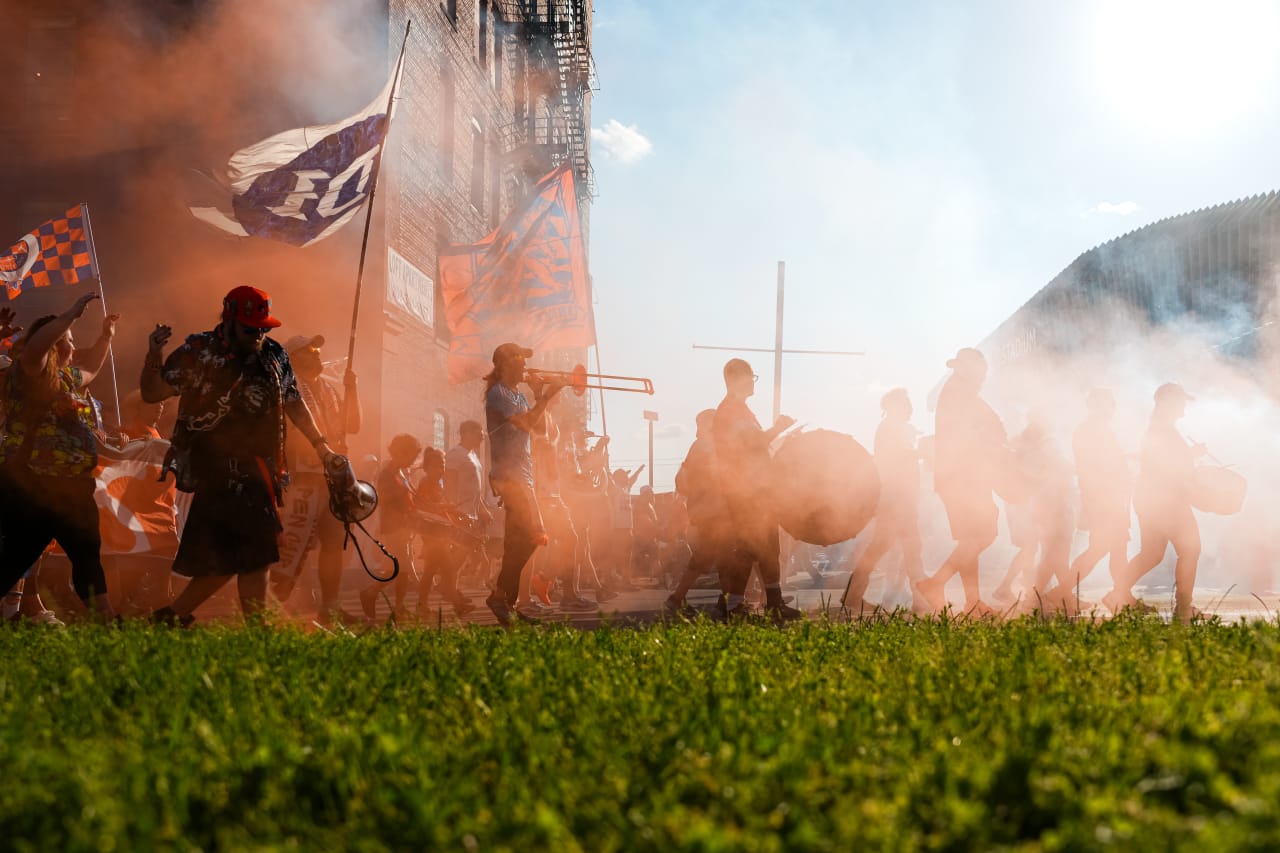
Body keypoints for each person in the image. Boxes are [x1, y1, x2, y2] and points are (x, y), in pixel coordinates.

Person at [141, 285, 336, 624]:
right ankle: (255, 631)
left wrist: (322, 445)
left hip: (261, 470)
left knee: (238, 559)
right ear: (229, 320)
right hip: (218, 470)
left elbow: (294, 402)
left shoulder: (274, 354)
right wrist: (154, 354)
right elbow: (151, 392)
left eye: (263, 327)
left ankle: (171, 617)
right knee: (255, 556)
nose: (258, 334)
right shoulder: (199, 351)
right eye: (250, 328)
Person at [0, 292, 118, 621]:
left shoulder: (67, 378)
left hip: (69, 485)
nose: (72, 345)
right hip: (33, 483)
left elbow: (92, 368)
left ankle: (106, 617)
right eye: (66, 340)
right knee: (15, 556)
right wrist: (70, 314)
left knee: (86, 552)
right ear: (52, 344)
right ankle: (104, 617)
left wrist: (105, 337)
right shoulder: (30, 372)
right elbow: (37, 347)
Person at [272, 333, 362, 622]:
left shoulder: (331, 389)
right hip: (301, 476)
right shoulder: (285, 387)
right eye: (310, 350)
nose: (318, 354)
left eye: (318, 349)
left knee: (333, 542)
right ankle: (274, 605)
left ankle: (330, 605)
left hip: (331, 478)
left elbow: (353, 425)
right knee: (294, 542)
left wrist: (353, 390)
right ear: (294, 358)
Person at [917, 348, 1006, 615]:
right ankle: (936, 583)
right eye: (981, 370)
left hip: (956, 476)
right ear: (967, 369)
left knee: (970, 539)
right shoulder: (961, 394)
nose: (984, 375)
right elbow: (984, 430)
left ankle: (973, 600)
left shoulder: (959, 391)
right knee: (984, 533)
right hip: (964, 476)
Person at [1104, 383, 1203, 623]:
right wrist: (1192, 455)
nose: (1184, 409)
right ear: (1169, 403)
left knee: (1151, 553)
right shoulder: (1162, 430)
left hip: (1151, 498)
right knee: (1190, 548)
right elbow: (1166, 465)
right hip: (1166, 500)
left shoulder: (1158, 428)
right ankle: (1184, 608)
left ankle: (1117, 594)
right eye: (1181, 403)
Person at [713, 358, 801, 622]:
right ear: (734, 379)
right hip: (745, 492)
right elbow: (752, 444)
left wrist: (782, 438)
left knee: (762, 549)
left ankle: (749, 604)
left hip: (754, 490)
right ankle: (731, 605)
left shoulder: (740, 410)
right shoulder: (730, 411)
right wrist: (779, 428)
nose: (753, 381)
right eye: (750, 376)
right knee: (751, 550)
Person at [483, 343, 566, 626]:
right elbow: (526, 423)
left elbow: (539, 428)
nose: (524, 366)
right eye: (520, 360)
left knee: (522, 541)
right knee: (531, 536)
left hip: (523, 477)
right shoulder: (498, 393)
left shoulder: (517, 395)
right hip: (510, 477)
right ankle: (501, 597)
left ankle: (506, 601)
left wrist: (540, 395)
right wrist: (548, 396)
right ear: (506, 364)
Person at [842, 388, 926, 614]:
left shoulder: (893, 427)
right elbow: (894, 458)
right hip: (897, 497)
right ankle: (921, 598)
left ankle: (853, 596)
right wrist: (920, 453)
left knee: (884, 548)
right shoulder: (890, 428)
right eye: (906, 403)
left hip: (895, 496)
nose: (910, 408)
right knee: (911, 548)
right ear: (896, 406)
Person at [666, 408, 730, 615]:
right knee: (715, 555)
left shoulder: (701, 445)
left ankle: (725, 598)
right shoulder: (705, 446)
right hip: (712, 510)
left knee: (718, 555)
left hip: (707, 509)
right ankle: (678, 598)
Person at [1067, 389, 1132, 595]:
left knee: (1118, 547)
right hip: (1103, 499)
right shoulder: (1090, 430)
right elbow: (1100, 466)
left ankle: (1122, 596)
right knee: (1100, 548)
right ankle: (1059, 593)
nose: (1111, 409)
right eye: (1107, 404)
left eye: (1111, 404)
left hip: (1107, 497)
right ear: (1095, 406)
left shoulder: (1098, 429)